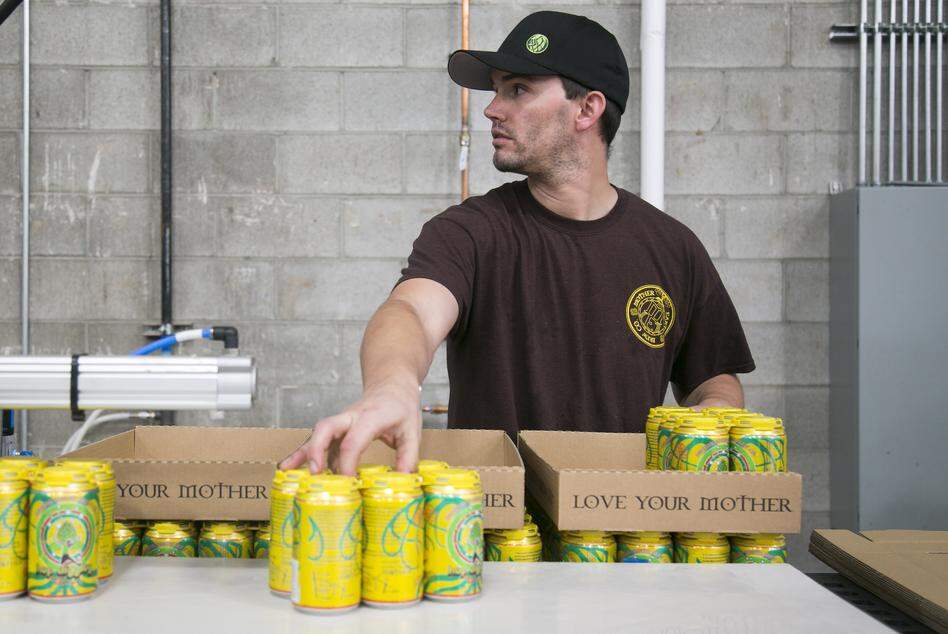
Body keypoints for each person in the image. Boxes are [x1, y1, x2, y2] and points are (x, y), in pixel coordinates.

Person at [281, 11, 755, 476]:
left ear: (587, 109)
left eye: (519, 89)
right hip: (494, 532)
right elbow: (412, 313)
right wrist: (392, 386)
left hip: (621, 540)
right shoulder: (471, 233)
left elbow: (711, 379)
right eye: (498, 90)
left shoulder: (672, 247)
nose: (491, 108)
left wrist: (713, 416)